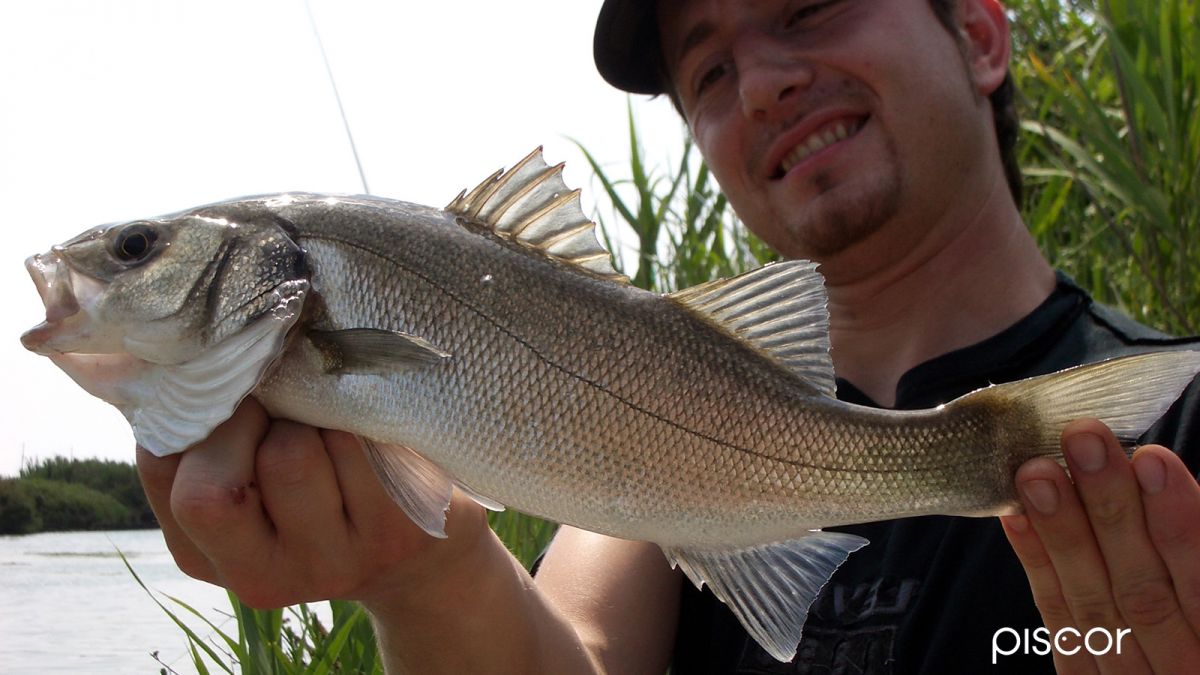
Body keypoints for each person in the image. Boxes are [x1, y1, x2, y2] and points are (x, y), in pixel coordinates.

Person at [137, 0, 1200, 672]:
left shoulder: (1183, 424)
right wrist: (424, 576)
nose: (764, 83)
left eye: (811, 7)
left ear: (978, 29)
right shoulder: (645, 424)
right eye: (708, 74)